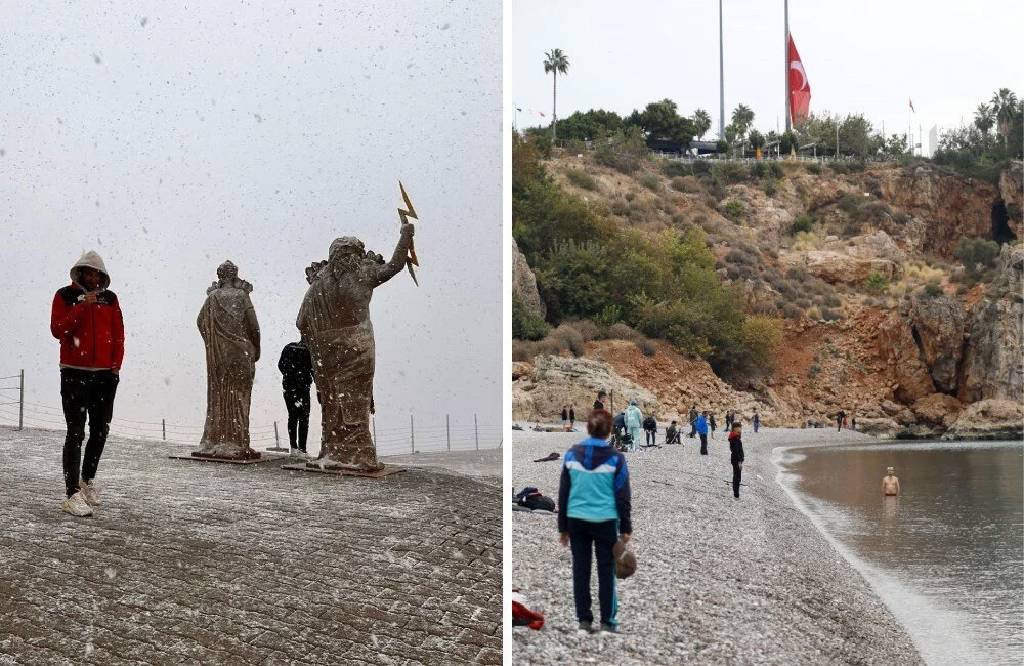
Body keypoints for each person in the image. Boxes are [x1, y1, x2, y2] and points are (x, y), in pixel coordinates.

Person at [50, 251, 124, 517]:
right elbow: (58, 329)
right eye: (87, 272)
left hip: (105, 375)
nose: (92, 277)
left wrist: (116, 367)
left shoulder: (111, 299)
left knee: (100, 430)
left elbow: (118, 334)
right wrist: (82, 305)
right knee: (76, 432)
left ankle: (87, 481)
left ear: (101, 276)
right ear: (79, 273)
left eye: (96, 273)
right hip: (74, 373)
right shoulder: (64, 296)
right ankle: (71, 494)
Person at [557, 409, 632, 634]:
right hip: (605, 521)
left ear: (588, 428)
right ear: (609, 430)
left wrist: (563, 527)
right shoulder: (616, 459)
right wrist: (626, 527)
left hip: (576, 520)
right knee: (606, 570)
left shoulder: (571, 454)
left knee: (581, 570)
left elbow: (564, 493)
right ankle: (607, 622)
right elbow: (623, 496)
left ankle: (584, 620)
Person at [278, 340, 314, 456]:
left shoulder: (288, 347)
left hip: (289, 387)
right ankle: (302, 449)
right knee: (304, 417)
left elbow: (280, 365)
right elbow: (314, 370)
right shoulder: (309, 350)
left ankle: (293, 447)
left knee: (293, 417)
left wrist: (289, 375)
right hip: (302, 387)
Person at [728, 422, 745, 499]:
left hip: (736, 460)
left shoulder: (736, 437)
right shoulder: (734, 438)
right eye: (738, 428)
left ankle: (736, 492)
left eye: (740, 428)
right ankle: (736, 494)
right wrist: (739, 462)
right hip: (736, 460)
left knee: (737, 476)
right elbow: (735, 451)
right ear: (734, 429)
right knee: (737, 477)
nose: (740, 430)